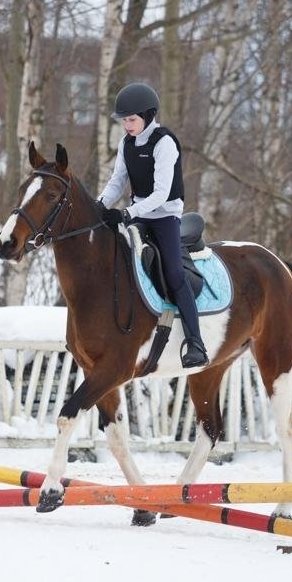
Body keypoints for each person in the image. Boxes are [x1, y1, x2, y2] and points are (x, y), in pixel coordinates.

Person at [96, 82, 208, 369]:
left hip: (166, 216)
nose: (127, 125)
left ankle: (195, 343)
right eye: (124, 120)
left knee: (173, 273)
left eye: (131, 120)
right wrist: (100, 206)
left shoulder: (164, 143)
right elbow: (117, 181)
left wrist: (127, 213)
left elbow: (160, 193)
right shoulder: (126, 143)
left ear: (148, 115)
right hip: (139, 213)